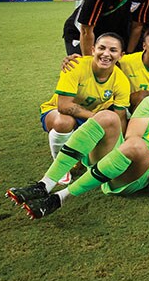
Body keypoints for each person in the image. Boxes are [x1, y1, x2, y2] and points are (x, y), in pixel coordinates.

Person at [8, 69, 149, 219]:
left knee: (137, 148)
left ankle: (60, 198)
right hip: (119, 156)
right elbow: (133, 135)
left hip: (139, 173)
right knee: (107, 116)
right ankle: (45, 184)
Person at [39, 33, 131, 183]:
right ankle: (60, 167)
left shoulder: (121, 81)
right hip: (57, 112)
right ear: (93, 50)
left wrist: (119, 150)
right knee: (64, 122)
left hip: (90, 116)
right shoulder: (75, 65)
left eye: (113, 50)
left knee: (106, 128)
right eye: (102, 48)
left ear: (121, 55)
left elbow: (120, 117)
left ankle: (83, 156)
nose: (106, 54)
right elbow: (63, 106)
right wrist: (96, 118)